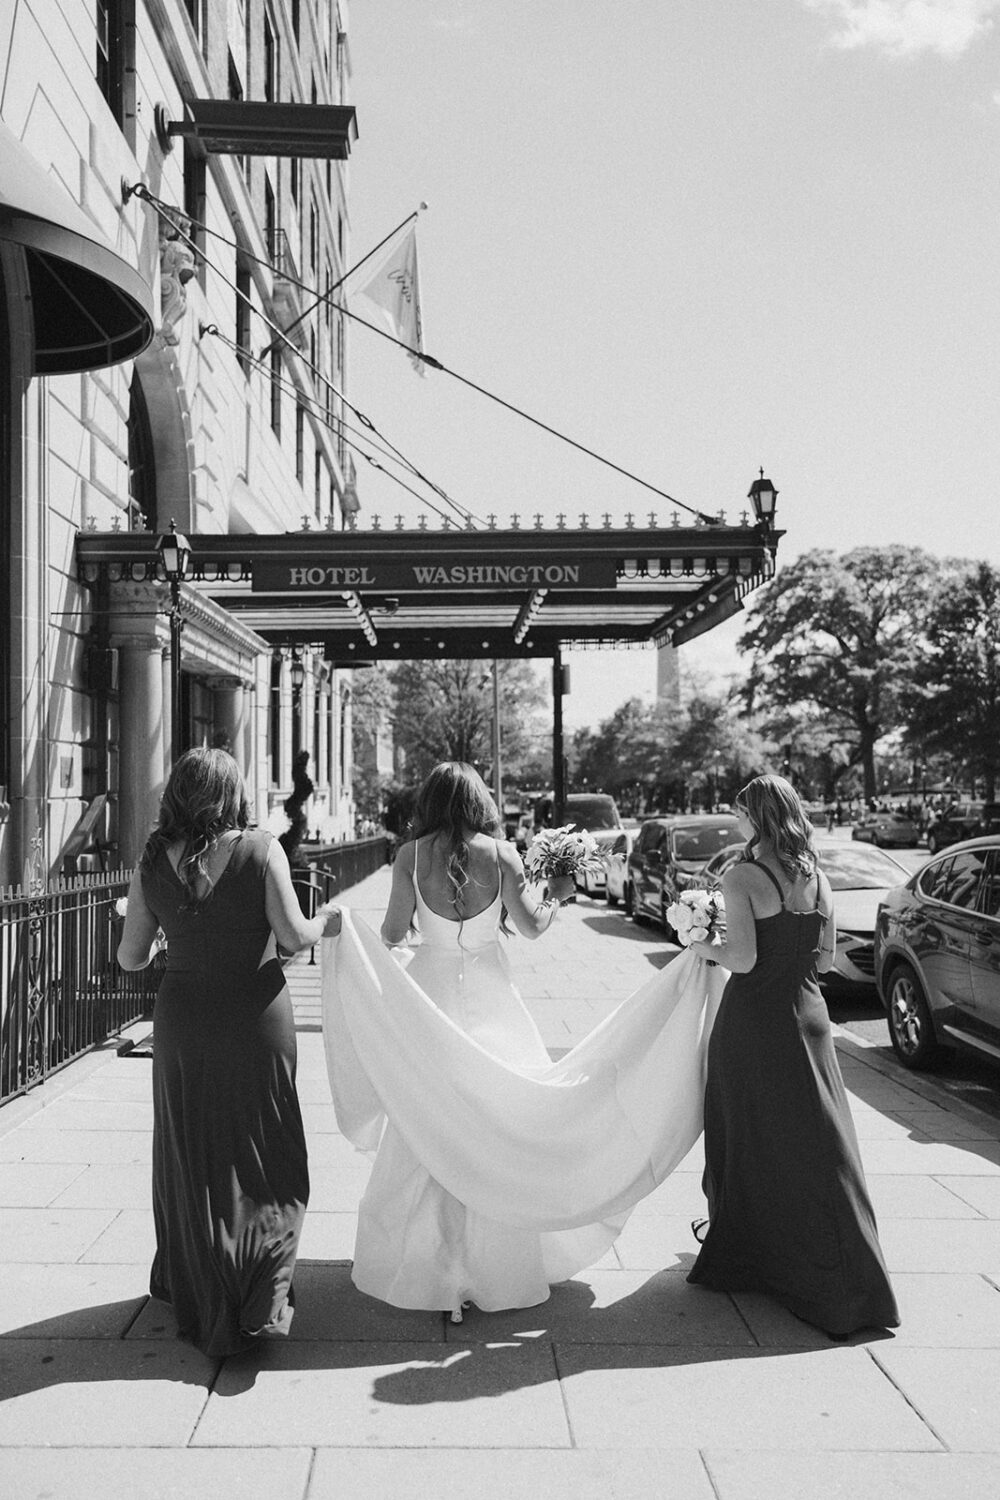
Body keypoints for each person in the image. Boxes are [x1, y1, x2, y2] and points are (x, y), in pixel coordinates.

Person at [117, 748, 341, 1357]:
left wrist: (177, 935)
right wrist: (332, 924)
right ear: (233, 792)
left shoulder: (149, 862)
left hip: (184, 1018)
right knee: (265, 1150)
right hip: (255, 1014)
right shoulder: (260, 848)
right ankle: (257, 1292)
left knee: (194, 1150)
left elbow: (129, 957)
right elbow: (293, 935)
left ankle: (202, 1278)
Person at [686, 774, 899, 1339]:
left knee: (748, 1132)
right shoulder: (819, 878)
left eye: (740, 816)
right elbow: (825, 961)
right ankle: (851, 1268)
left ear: (757, 817)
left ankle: (750, 1255)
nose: (737, 826)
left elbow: (745, 959)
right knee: (819, 1145)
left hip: (755, 1022)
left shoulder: (742, 877)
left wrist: (698, 942)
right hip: (811, 1021)